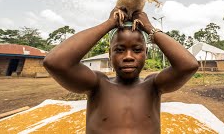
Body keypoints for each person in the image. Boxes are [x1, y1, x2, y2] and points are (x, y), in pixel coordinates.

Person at [43, 7, 199, 133]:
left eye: (137, 50)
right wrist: (110, 23)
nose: (129, 56)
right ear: (110, 54)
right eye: (119, 50)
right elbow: (55, 62)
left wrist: (150, 28)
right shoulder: (97, 84)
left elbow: (188, 65)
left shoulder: (154, 85)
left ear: (146, 54)